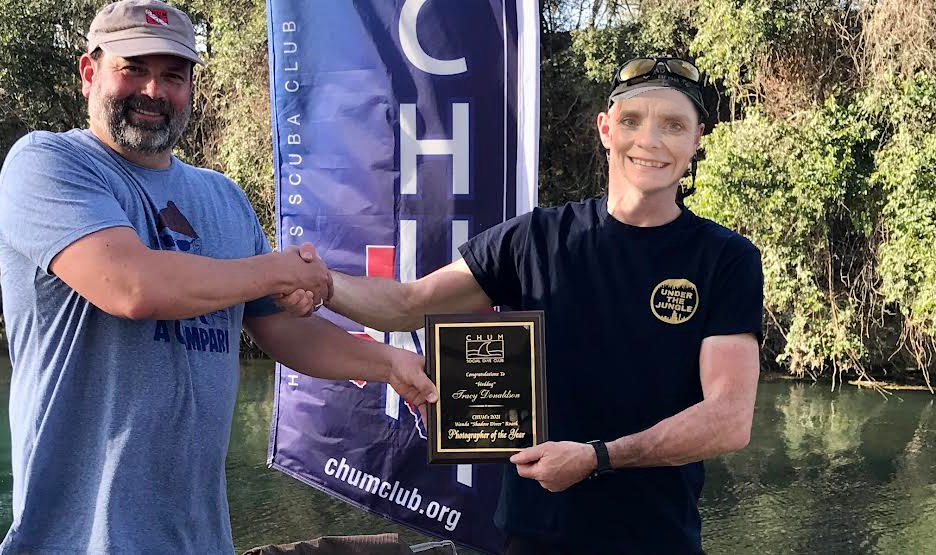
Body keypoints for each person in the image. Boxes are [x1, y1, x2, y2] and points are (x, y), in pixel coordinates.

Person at [0, 0, 436, 555]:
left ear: (190, 89)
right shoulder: (47, 164)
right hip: (76, 541)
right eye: (133, 69)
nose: (153, 91)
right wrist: (274, 270)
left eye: (173, 77)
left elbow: (283, 329)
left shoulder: (222, 197)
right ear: (89, 73)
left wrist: (389, 364)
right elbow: (132, 287)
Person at [323, 56, 763, 555]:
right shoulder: (534, 239)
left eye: (674, 125)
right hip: (534, 538)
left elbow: (728, 418)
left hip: (659, 539)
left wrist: (597, 458)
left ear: (697, 139)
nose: (650, 140)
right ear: (606, 129)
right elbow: (407, 304)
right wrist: (319, 283)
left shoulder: (726, 259)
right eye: (632, 120)